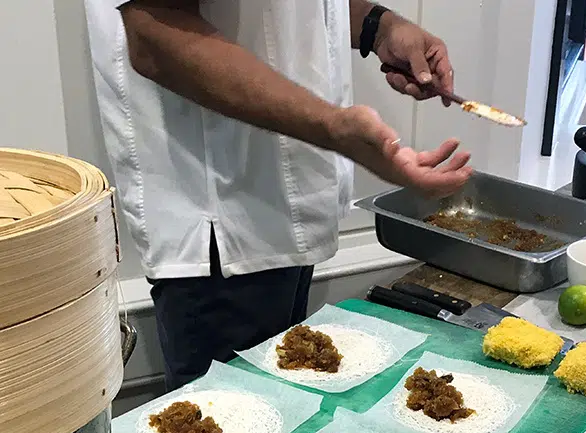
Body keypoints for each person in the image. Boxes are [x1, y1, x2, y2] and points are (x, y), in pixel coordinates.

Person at [86, 1, 473, 389]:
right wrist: (334, 128)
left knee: (282, 421)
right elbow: (155, 34)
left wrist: (379, 26)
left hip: (282, 211)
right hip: (221, 230)